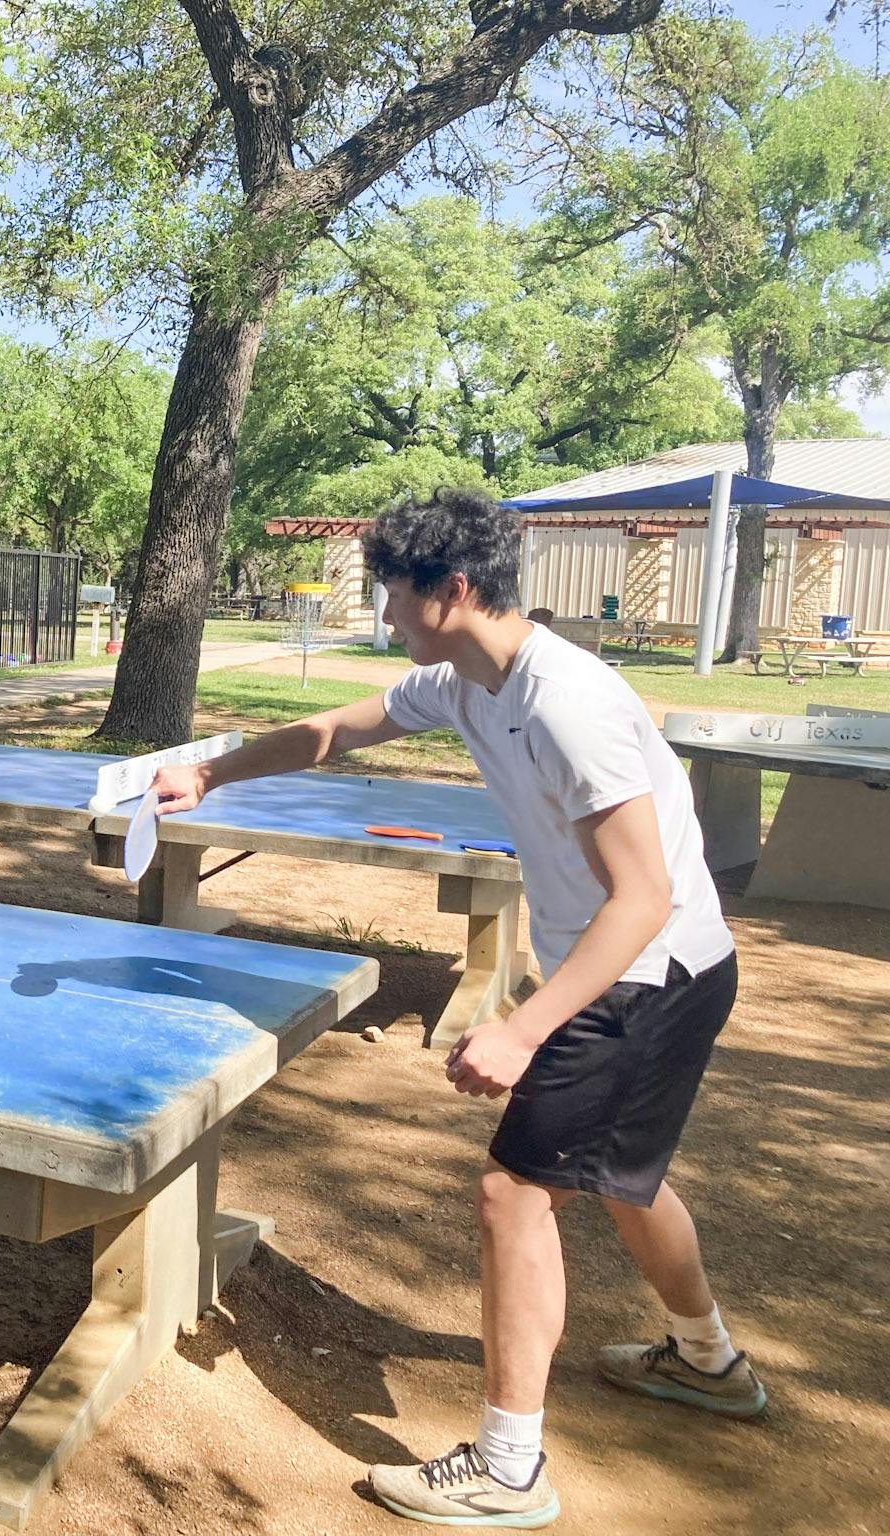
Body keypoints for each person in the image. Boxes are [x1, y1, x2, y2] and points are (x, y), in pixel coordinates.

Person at [151, 488, 761, 1529]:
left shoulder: (568, 702)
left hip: (642, 976)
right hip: (653, 970)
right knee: (620, 1176)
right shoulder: (466, 681)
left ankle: (507, 1468)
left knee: (511, 1196)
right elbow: (336, 728)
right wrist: (210, 770)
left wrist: (522, 1027)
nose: (384, 614)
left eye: (392, 593)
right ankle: (706, 1360)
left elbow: (642, 897)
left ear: (452, 591)